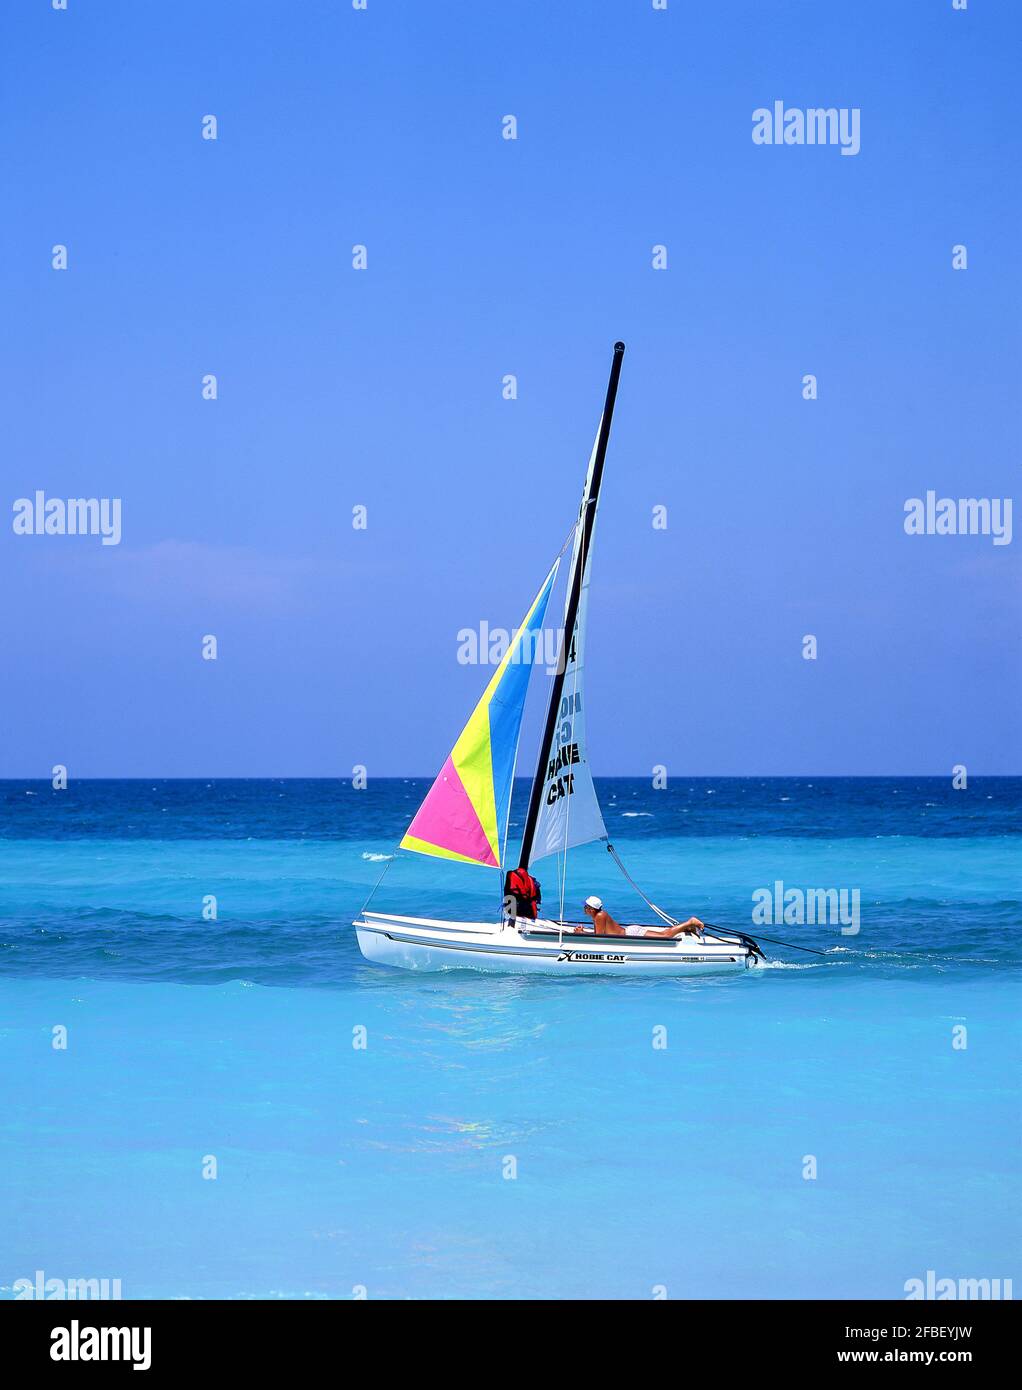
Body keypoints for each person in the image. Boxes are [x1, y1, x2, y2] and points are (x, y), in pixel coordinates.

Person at [574, 895, 704, 938]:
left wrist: (581, 934)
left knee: (665, 935)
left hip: (632, 934)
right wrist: (584, 931)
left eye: (585, 907)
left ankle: (689, 922)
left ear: (591, 909)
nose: (584, 909)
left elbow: (599, 938)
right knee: (664, 934)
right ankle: (687, 928)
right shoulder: (599, 915)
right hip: (630, 932)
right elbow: (599, 933)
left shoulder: (600, 916)